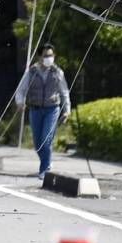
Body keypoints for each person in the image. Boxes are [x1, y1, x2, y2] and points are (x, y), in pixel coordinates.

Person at [20, 44, 71, 179]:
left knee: (46, 139)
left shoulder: (58, 72)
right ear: (40, 57)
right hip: (35, 109)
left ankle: (45, 169)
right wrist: (20, 103)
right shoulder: (31, 72)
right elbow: (21, 90)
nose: (49, 58)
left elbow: (64, 92)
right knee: (37, 142)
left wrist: (67, 110)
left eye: (51, 55)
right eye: (46, 56)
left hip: (52, 109)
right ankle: (47, 162)